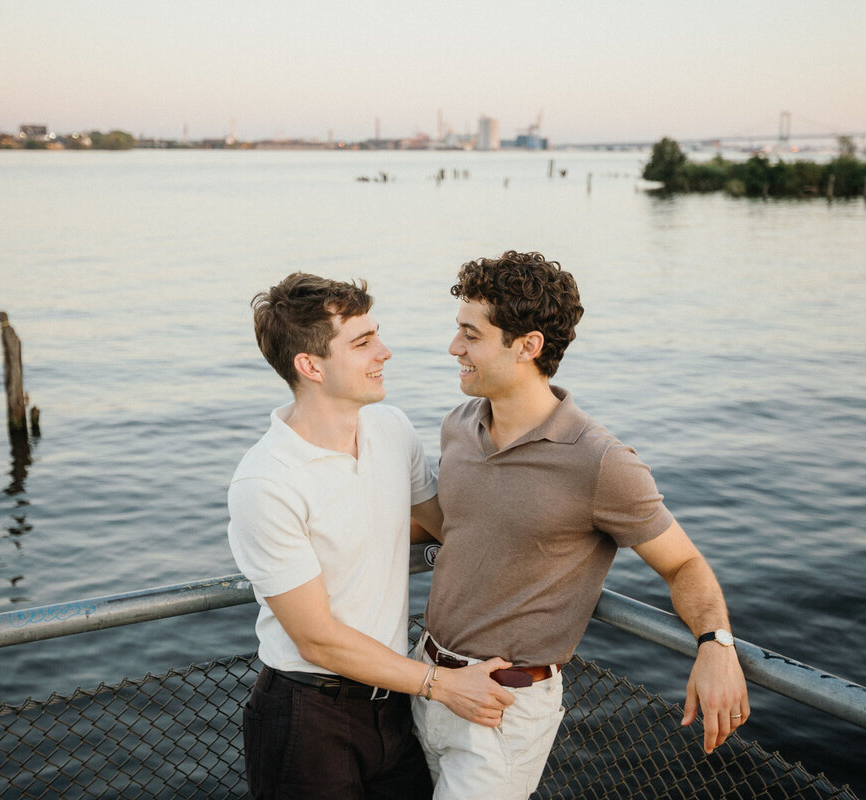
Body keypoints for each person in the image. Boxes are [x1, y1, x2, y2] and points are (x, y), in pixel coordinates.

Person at [411, 251, 750, 799]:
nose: (454, 348)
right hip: (425, 682)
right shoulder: (458, 424)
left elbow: (684, 561)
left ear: (528, 346)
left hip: (503, 709)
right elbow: (454, 528)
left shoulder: (601, 462)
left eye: (470, 336)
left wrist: (715, 644)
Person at [227, 272, 515, 800]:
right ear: (310, 366)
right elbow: (316, 638)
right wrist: (445, 686)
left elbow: (445, 525)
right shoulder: (266, 481)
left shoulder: (391, 428)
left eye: (376, 334)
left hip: (396, 707)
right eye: (362, 343)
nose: (385, 351)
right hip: (308, 716)